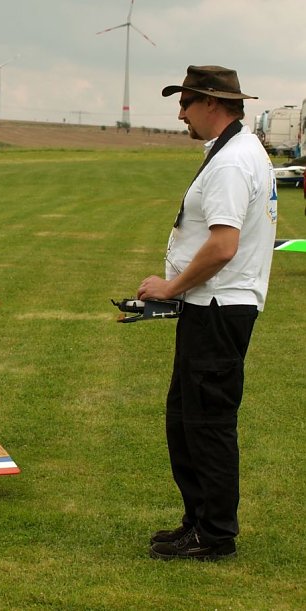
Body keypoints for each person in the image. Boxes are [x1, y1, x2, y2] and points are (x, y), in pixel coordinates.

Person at [136, 65, 277, 561]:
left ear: (213, 103)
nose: (180, 114)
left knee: (207, 422)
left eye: (186, 102)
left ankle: (215, 534)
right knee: (186, 419)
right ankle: (197, 521)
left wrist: (170, 286)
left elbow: (222, 246)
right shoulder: (234, 152)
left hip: (219, 308)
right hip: (212, 306)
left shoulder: (232, 162)